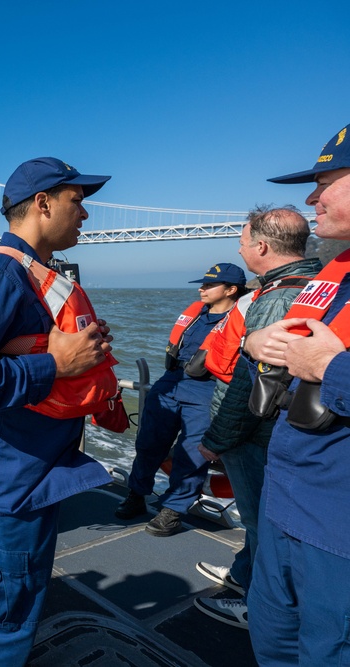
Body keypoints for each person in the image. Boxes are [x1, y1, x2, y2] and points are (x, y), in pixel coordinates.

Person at [0, 157, 118, 665]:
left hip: (23, 473)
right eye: (76, 203)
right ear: (42, 203)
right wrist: (54, 365)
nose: (84, 216)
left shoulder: (30, 274)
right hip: (5, 482)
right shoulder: (0, 274)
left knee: (4, 607)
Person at [241, 122, 350, 664]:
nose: (311, 197)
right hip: (288, 499)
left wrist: (334, 369)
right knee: (273, 638)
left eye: (326, 181)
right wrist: (257, 340)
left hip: (337, 523)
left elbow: (326, 362)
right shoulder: (334, 270)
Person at [192, 207, 320, 630]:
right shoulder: (316, 286)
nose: (241, 249)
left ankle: (262, 609)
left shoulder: (276, 299)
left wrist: (217, 438)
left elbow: (251, 387)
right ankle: (245, 576)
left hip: (256, 437)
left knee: (263, 524)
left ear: (261, 247)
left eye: (242, 243)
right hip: (284, 431)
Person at [114, 262, 247, 536]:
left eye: (210, 285)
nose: (202, 288)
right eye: (203, 283)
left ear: (231, 290)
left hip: (206, 388)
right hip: (171, 382)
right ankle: (137, 494)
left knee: (192, 453)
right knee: (148, 443)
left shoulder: (243, 319)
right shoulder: (197, 313)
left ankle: (173, 510)